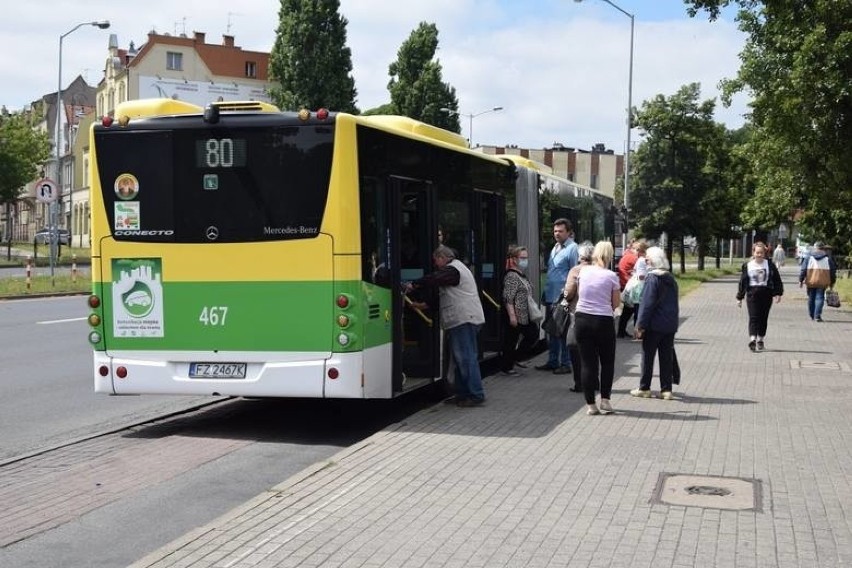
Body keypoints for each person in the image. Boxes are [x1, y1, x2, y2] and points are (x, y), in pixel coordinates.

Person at [406, 245, 486, 407]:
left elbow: (435, 278)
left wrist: (413, 285)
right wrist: (423, 305)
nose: (435, 264)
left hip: (464, 319)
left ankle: (476, 394)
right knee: (458, 359)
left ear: (443, 257)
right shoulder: (453, 271)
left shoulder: (453, 269)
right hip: (461, 320)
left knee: (465, 358)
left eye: (436, 260)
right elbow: (444, 296)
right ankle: (462, 394)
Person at [573, 240, 621, 415]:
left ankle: (590, 405)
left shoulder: (583, 272)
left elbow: (580, 295)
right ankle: (605, 400)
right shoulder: (611, 276)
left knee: (587, 364)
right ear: (609, 256)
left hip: (582, 320)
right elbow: (615, 303)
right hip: (603, 321)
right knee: (607, 362)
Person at [630, 247, 679, 400]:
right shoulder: (670, 278)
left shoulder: (652, 279)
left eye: (648, 258)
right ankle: (666, 389)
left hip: (654, 325)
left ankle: (644, 387)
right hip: (670, 324)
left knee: (648, 356)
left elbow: (647, 304)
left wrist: (640, 326)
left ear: (653, 260)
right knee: (666, 357)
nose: (646, 260)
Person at [536, 218, 578, 374]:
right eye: (555, 231)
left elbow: (575, 272)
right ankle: (553, 361)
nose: (557, 234)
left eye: (560, 231)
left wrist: (570, 296)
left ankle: (566, 363)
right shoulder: (555, 247)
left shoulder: (573, 248)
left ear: (568, 232)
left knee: (563, 330)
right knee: (552, 329)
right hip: (551, 295)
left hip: (563, 297)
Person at [736, 241, 784, 351]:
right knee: (753, 317)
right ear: (753, 253)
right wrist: (740, 297)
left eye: (761, 253)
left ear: (764, 253)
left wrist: (778, 293)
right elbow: (743, 282)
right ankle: (752, 339)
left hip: (766, 294)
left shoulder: (770, 265)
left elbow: (777, 280)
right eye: (757, 252)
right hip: (752, 294)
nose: (759, 255)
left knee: (763, 318)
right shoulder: (747, 266)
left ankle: (760, 339)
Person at [500, 246, 540, 376]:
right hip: (516, 314)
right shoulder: (512, 276)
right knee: (511, 340)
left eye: (526, 258)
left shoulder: (520, 274)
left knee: (531, 335)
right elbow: (508, 298)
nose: (525, 260)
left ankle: (514, 359)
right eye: (522, 258)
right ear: (514, 259)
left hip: (524, 314)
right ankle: (507, 367)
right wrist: (512, 316)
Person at [561, 241, 595, 393]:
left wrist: (565, 294)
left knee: (574, 347)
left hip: (578, 315)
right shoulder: (600, 270)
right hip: (597, 316)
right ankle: (595, 382)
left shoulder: (576, 270)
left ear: (580, 256)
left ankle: (580, 383)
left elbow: (569, 294)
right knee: (593, 351)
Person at [798, 241, 837, 322]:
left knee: (811, 297)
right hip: (823, 281)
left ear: (815, 248)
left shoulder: (809, 258)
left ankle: (812, 315)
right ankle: (817, 316)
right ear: (823, 248)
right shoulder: (828, 259)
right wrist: (832, 282)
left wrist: (801, 280)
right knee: (820, 297)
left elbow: (803, 269)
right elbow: (832, 271)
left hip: (811, 280)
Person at [616, 239, 638, 338]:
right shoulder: (633, 257)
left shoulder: (626, 255)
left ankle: (621, 331)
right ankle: (637, 333)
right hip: (630, 286)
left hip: (625, 285)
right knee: (634, 309)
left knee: (627, 310)